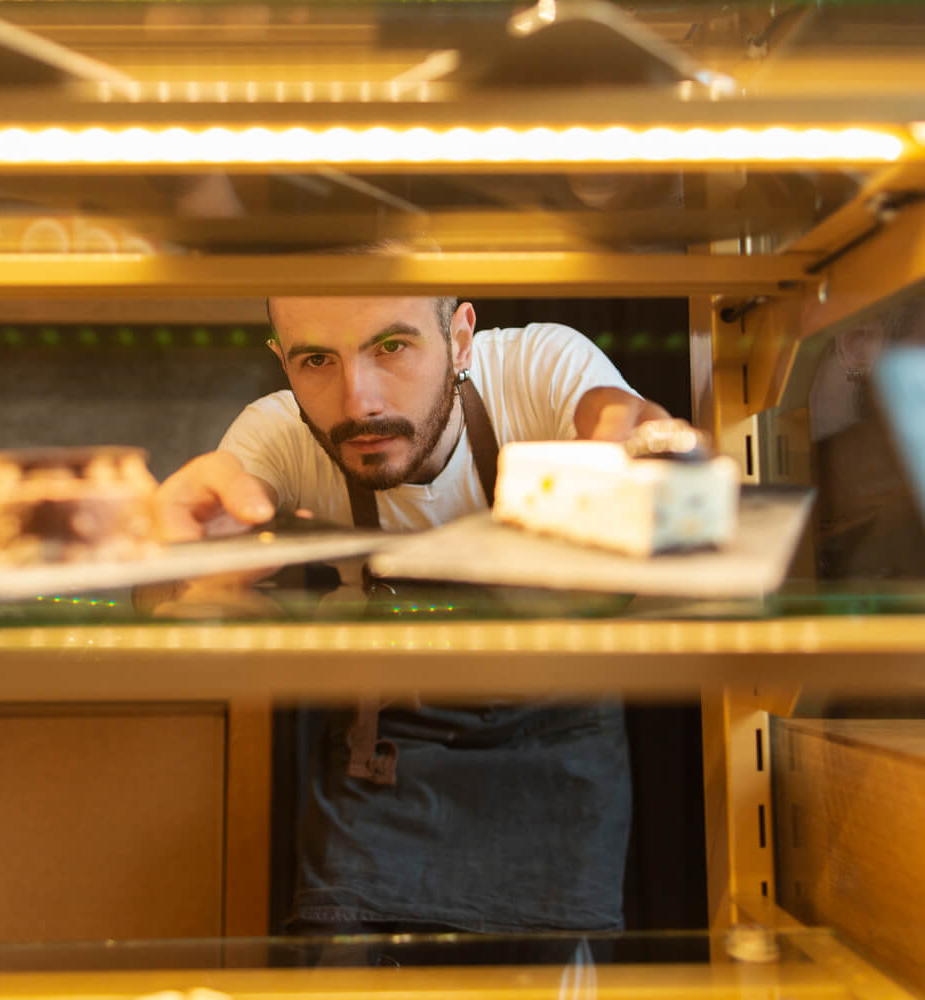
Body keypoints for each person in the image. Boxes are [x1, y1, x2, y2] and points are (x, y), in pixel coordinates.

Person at [155, 294, 683, 938]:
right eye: (317, 359)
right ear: (282, 363)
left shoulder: (537, 368)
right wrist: (181, 563)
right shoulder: (276, 433)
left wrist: (647, 456)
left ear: (461, 340)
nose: (359, 403)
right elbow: (189, 559)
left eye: (392, 347)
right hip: (382, 765)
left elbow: (622, 425)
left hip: (559, 761)